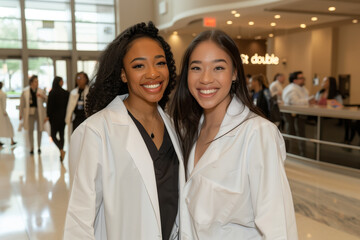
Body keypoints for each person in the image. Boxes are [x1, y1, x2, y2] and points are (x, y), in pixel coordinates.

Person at [170, 30, 297, 239]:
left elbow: (277, 225)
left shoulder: (257, 133)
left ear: (235, 72)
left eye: (218, 67)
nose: (206, 78)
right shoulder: (187, 130)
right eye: (196, 68)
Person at [63, 21, 185, 240]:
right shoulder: (95, 132)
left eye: (160, 63)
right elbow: (79, 221)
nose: (153, 74)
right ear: (123, 74)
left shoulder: (177, 128)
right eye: (139, 66)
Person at [282, 71, 316, 156]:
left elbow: (305, 99)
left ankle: (302, 153)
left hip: (300, 116)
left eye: (303, 78)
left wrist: (309, 100)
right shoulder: (291, 89)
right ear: (295, 80)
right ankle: (290, 153)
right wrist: (308, 101)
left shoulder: (303, 88)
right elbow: (294, 102)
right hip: (291, 116)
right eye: (301, 78)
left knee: (301, 134)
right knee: (291, 134)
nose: (303, 80)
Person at [19, 75, 47, 154]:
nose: (37, 83)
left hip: (39, 112)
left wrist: (42, 96)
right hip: (30, 112)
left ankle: (39, 147)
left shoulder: (41, 91)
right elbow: (22, 103)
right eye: (35, 81)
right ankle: (31, 147)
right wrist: (20, 114)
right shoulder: (25, 91)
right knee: (30, 130)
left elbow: (47, 100)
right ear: (31, 82)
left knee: (40, 130)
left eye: (37, 81)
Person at [46, 76, 69, 162]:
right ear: (59, 82)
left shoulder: (52, 92)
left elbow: (49, 106)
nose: (62, 83)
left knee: (53, 135)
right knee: (62, 135)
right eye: (62, 81)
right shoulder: (66, 93)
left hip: (54, 118)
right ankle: (61, 151)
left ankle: (61, 150)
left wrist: (48, 116)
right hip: (63, 117)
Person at [0, 81, 16, 146]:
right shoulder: (3, 94)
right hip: (2, 112)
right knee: (8, 126)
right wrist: (4, 111)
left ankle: (12, 140)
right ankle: (12, 140)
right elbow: (4, 104)